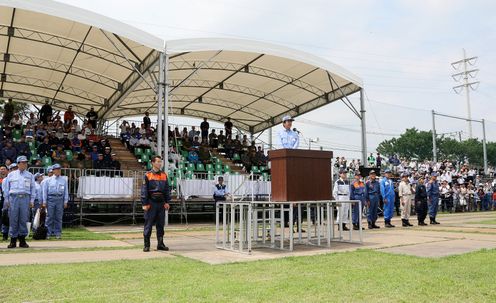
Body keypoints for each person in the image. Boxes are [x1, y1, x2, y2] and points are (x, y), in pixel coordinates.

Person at [2, 156, 36, 248]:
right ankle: (13, 240)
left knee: (23, 219)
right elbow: (6, 189)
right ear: (18, 164)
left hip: (25, 198)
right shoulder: (11, 175)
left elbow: (33, 188)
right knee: (13, 219)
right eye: (22, 162)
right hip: (14, 198)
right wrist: (7, 200)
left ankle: (22, 240)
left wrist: (32, 200)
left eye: (25, 162)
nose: (24, 164)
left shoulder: (30, 175)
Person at [141, 156, 170, 252]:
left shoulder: (164, 175)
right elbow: (144, 190)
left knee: (160, 225)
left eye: (160, 162)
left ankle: (160, 244)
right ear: (152, 163)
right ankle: (146, 245)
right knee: (148, 225)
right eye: (158, 162)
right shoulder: (147, 175)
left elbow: (167, 190)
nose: (159, 163)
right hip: (151, 202)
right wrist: (145, 203)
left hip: (161, 203)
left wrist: (167, 202)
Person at [41, 164, 69, 239]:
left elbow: (66, 191)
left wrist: (65, 201)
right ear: (53, 171)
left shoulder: (64, 180)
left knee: (58, 217)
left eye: (59, 169)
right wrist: (44, 201)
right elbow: (45, 192)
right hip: (51, 199)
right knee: (49, 217)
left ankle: (58, 233)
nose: (58, 170)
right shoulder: (48, 180)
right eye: (56, 169)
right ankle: (48, 233)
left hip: (60, 199)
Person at [0, 165, 9, 240]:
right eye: (1, 169)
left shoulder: (9, 179)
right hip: (1, 199)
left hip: (6, 199)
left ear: (7, 170)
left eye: (4, 169)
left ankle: (5, 233)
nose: (2, 170)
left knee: (5, 216)